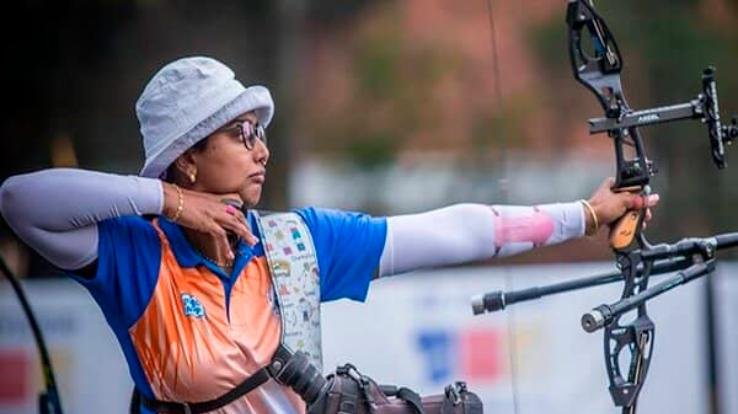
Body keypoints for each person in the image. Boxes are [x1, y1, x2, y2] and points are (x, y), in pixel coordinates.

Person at [0, 56, 657, 414]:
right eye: (240, 133)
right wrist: (172, 204)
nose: (262, 150)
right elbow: (21, 201)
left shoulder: (296, 243)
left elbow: (451, 232)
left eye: (262, 132)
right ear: (188, 156)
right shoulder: (136, 255)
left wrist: (586, 215)